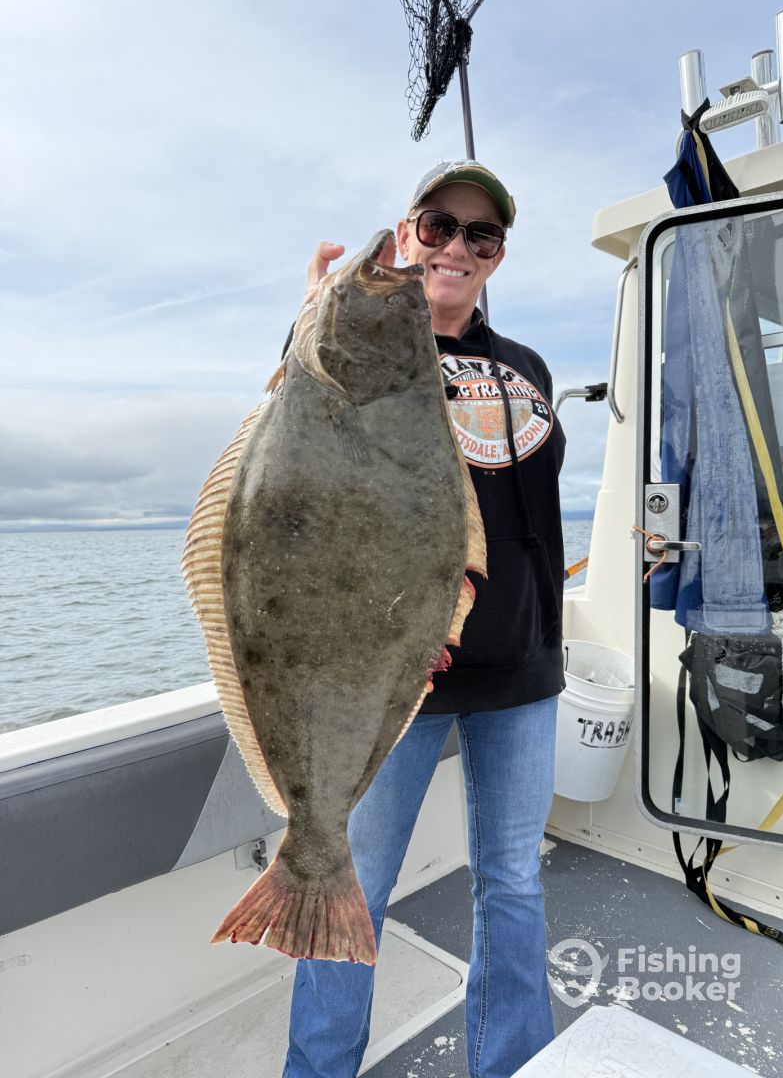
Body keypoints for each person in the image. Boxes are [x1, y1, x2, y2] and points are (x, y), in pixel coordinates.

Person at [282, 160, 566, 1078]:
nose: (458, 247)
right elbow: (296, 470)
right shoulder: (353, 345)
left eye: (481, 235)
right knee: (347, 883)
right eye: (439, 225)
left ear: (498, 255)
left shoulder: (527, 367)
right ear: (407, 234)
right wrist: (306, 328)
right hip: (392, 675)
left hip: (521, 672)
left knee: (513, 884)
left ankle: (512, 1064)